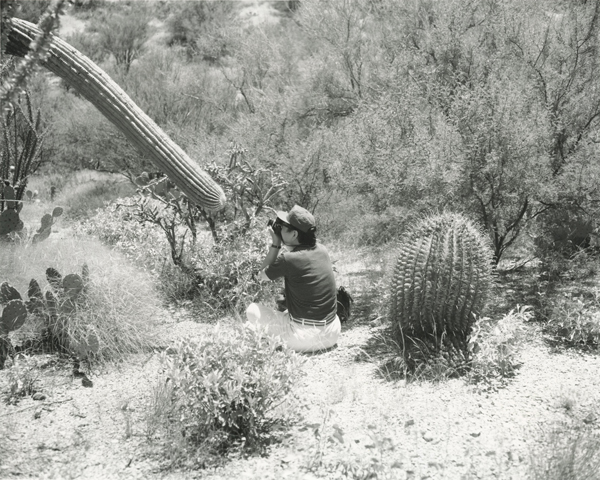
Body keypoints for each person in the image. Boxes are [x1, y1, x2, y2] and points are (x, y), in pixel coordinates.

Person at [246, 205, 341, 353]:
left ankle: (271, 341)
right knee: (285, 311)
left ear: (295, 234)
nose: (280, 230)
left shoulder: (288, 259)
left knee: (252, 310)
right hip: (333, 332)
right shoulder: (322, 250)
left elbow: (260, 276)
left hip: (304, 338)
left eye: (283, 228)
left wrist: (276, 244)